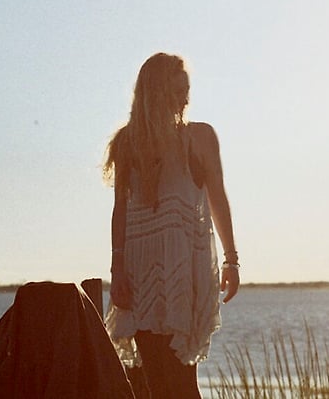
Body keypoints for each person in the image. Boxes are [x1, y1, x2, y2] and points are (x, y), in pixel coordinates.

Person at [103, 52, 240, 399]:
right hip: (141, 272)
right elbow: (120, 210)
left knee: (181, 380)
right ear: (155, 92)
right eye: (177, 90)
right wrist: (117, 269)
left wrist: (231, 260)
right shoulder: (128, 142)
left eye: (187, 89)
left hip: (183, 270)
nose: (186, 98)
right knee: (154, 382)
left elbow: (217, 199)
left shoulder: (200, 137)